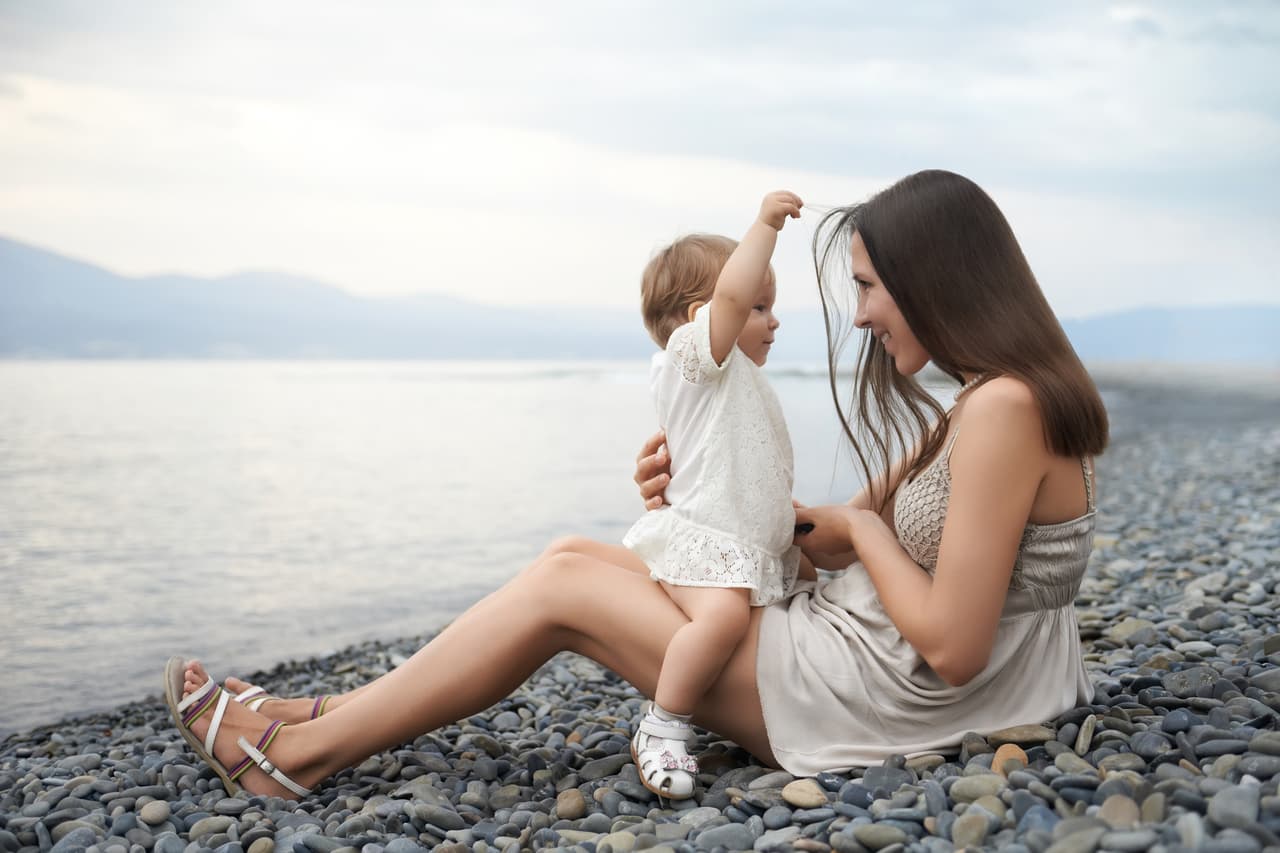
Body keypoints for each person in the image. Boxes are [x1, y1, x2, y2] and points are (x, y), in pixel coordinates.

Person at [164, 169, 1108, 799]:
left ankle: (295, 753)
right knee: (572, 554)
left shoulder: (1002, 410)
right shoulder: (986, 404)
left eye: (867, 286)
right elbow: (824, 533)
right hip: (875, 658)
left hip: (886, 690)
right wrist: (707, 490)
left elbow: (949, 641)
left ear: (936, 280)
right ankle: (318, 710)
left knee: (564, 592)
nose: (858, 315)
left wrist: (858, 539)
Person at [619, 191, 805, 798]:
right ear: (702, 317)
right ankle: (665, 724)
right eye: (759, 306)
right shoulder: (695, 359)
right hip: (705, 540)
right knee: (722, 615)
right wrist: (765, 226)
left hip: (735, 541)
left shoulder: (733, 377)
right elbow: (727, 298)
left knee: (750, 618)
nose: (773, 320)